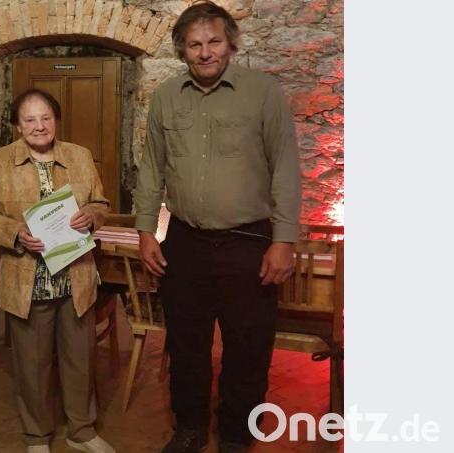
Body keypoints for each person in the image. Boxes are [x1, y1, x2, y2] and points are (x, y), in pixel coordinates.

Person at [133, 2, 301, 452]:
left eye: (214, 41)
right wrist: (146, 230)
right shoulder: (167, 96)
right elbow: (152, 166)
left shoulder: (264, 92)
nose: (205, 52)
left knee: (248, 346)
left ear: (230, 44)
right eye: (194, 44)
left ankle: (235, 432)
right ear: (182, 51)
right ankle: (189, 427)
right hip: (184, 241)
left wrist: (283, 240)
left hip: (249, 242)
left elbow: (285, 166)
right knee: (186, 344)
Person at [0, 89, 114, 453]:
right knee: (32, 365)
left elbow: (100, 202)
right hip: (27, 280)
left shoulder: (79, 157)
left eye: (46, 117)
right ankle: (37, 436)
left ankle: (81, 430)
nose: (39, 126)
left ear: (56, 120)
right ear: (17, 126)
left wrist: (92, 217)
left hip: (75, 276)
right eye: (30, 119)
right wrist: (16, 232)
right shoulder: (0, 161)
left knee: (80, 359)